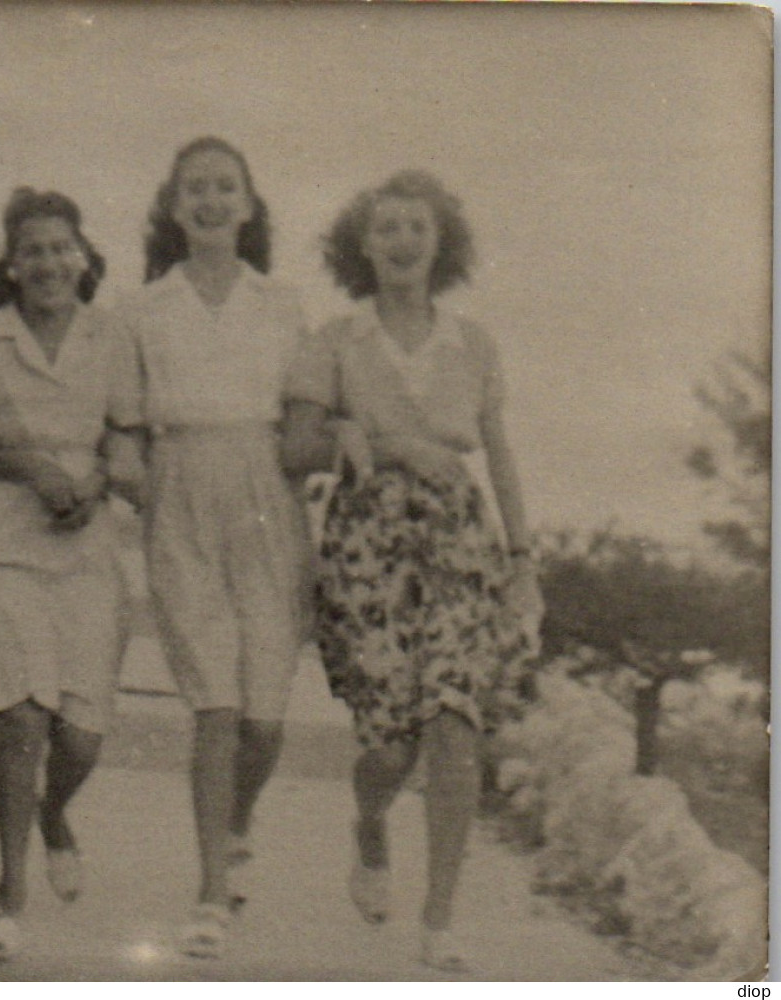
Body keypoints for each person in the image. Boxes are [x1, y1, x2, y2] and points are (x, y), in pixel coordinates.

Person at [281, 170, 540, 971]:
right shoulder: (334, 341)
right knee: (390, 749)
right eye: (384, 228)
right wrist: (378, 444)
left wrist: (523, 560)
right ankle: (368, 825)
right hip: (368, 548)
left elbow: (497, 453)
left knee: (454, 724)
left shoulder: (473, 344)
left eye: (415, 229)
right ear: (361, 246)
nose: (400, 242)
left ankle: (438, 922)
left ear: (440, 245)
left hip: (460, 541)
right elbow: (295, 450)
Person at [115, 136, 316, 959]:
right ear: (171, 205)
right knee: (216, 709)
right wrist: (142, 484)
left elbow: (302, 423)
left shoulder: (283, 303)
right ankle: (208, 891)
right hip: (181, 486)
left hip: (266, 494)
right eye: (192, 187)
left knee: (265, 718)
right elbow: (127, 426)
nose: (208, 200)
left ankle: (236, 821)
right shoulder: (142, 309)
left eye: (224, 187)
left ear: (247, 204)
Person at [0, 188, 139, 962]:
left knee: (81, 734)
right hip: (2, 544)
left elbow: (124, 437)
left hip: (85, 547)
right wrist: (25, 465)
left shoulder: (109, 336)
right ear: (11, 264)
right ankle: (8, 891)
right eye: (32, 250)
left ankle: (55, 813)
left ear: (81, 257)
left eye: (61, 248)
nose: (48, 263)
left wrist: (92, 486)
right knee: (22, 717)